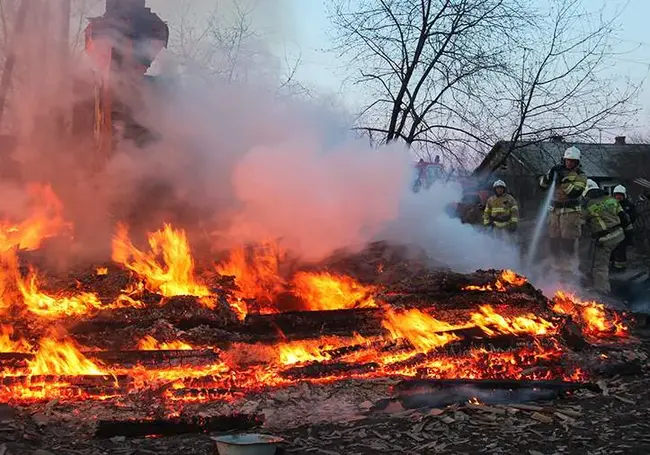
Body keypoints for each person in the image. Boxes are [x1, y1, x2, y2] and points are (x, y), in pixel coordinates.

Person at [539, 146, 588, 278]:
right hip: (555, 211)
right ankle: (554, 266)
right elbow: (542, 187)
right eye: (567, 160)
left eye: (572, 161)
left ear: (577, 162)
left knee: (568, 240)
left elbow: (574, 192)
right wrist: (549, 175)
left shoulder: (581, 176)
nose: (569, 163)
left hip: (571, 212)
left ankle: (569, 269)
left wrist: (563, 179)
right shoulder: (557, 171)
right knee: (553, 238)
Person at [582, 179, 629, 294]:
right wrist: (629, 236)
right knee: (613, 259)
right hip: (620, 235)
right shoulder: (611, 200)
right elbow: (624, 218)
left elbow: (580, 225)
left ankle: (603, 292)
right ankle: (616, 280)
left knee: (600, 266)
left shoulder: (587, 205)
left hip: (606, 238)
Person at [610, 185, 637, 270]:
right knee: (612, 248)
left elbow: (633, 216)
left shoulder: (629, 205)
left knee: (621, 248)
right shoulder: (610, 205)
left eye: (620, 195)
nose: (618, 197)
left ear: (624, 195)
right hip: (613, 230)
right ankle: (611, 264)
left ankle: (621, 266)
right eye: (616, 195)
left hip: (624, 231)